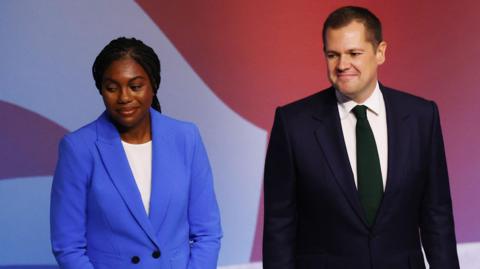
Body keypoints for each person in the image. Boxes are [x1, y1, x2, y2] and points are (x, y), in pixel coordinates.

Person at [263, 6, 459, 269]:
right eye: (333, 55)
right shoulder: (293, 124)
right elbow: (279, 225)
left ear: (380, 52)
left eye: (354, 53)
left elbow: (437, 216)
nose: (342, 65)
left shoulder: (421, 117)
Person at [50, 37, 222, 269]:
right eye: (112, 88)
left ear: (153, 85)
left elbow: (207, 233)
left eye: (135, 86)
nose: (124, 97)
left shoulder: (186, 137)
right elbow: (68, 246)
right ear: (101, 90)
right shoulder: (79, 148)